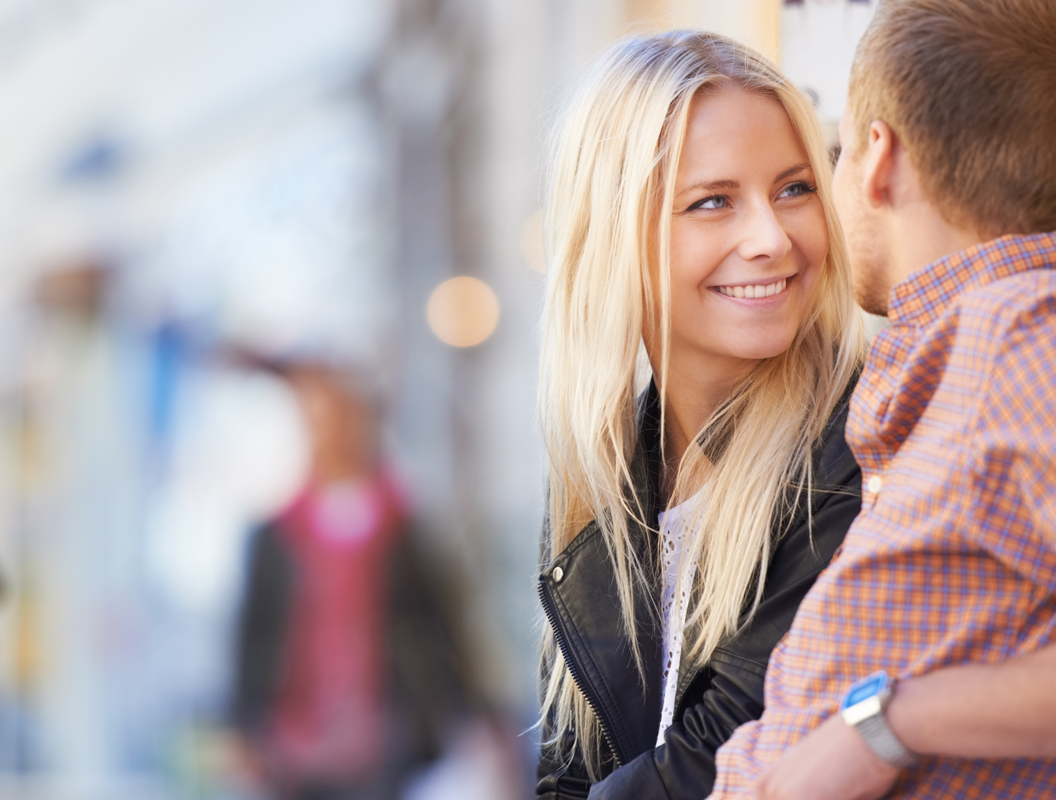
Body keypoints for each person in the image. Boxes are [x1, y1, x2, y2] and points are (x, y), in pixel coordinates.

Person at [708, 1, 1056, 798]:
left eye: (832, 152)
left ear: (878, 156)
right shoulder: (988, 348)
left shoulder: (1038, 336)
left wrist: (888, 724)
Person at [535, 31, 867, 800]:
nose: (772, 238)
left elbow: (726, 753)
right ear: (616, 235)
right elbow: (567, 769)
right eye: (713, 202)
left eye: (794, 189)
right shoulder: (606, 474)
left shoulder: (856, 445)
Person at [231, 361, 479, 800]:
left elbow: (438, 622)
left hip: (384, 734)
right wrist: (244, 726)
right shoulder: (277, 534)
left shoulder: (401, 527)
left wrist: (464, 707)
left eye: (337, 417)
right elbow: (254, 634)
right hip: (296, 740)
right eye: (315, 420)